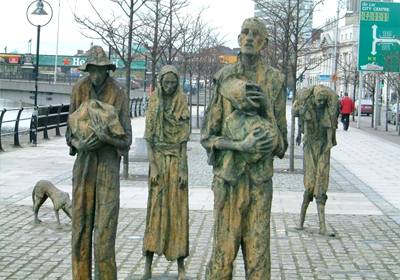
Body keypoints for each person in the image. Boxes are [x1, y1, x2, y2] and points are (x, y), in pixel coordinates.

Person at [201, 17, 288, 280]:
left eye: (255, 34)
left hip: (260, 181)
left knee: (258, 256)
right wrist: (240, 145)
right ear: (239, 39)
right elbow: (207, 137)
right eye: (244, 33)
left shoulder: (275, 80)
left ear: (264, 42)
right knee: (223, 255)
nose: (249, 37)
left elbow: (281, 144)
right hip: (228, 180)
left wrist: (267, 109)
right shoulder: (224, 77)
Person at [66, 45, 132, 280]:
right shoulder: (79, 89)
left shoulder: (119, 92)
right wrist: (78, 145)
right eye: (92, 70)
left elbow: (127, 139)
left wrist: (107, 138)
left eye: (100, 70)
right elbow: (69, 132)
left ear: (107, 70)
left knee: (104, 234)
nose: (96, 75)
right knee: (80, 231)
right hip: (84, 168)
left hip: (107, 169)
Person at [142, 65, 190, 280]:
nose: (169, 87)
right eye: (166, 83)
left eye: (173, 83)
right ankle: (148, 266)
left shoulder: (181, 100)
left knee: (178, 212)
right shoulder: (154, 100)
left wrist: (183, 169)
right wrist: (152, 166)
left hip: (176, 161)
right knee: (155, 211)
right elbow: (149, 136)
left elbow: (183, 140)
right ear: (160, 82)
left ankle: (181, 266)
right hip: (159, 162)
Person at [292, 85, 339, 235]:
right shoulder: (306, 105)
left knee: (322, 182)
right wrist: (299, 131)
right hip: (310, 146)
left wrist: (330, 143)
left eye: (323, 101)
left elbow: (330, 128)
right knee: (309, 183)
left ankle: (322, 226)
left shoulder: (327, 111)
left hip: (323, 146)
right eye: (318, 101)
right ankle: (300, 221)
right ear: (313, 99)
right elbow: (294, 112)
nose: (320, 104)